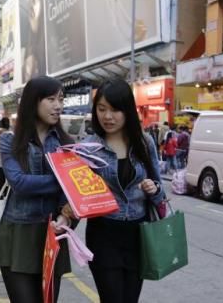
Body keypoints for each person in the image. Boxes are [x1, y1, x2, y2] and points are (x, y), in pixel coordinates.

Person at [81, 79, 165, 302]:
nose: (108, 116)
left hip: (138, 235)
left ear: (127, 110)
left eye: (115, 109)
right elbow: (78, 194)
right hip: (103, 234)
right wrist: (65, 216)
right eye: (102, 109)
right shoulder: (89, 148)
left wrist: (153, 188)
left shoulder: (144, 142)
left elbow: (160, 190)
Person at [0, 76, 74, 303]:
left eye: (60, 99)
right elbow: (19, 183)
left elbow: (70, 194)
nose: (58, 105)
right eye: (51, 99)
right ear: (33, 102)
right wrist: (62, 179)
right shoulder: (11, 141)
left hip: (52, 232)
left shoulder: (64, 142)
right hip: (17, 233)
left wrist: (65, 217)